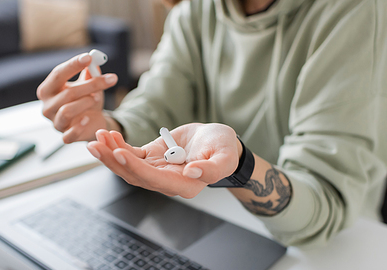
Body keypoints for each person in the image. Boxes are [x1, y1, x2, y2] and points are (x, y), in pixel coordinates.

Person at [36, 0, 387, 246]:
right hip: (214, 221)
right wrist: (105, 125)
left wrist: (238, 165)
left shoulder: (354, 10)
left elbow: (324, 202)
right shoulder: (196, 11)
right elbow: (155, 110)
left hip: (340, 245)